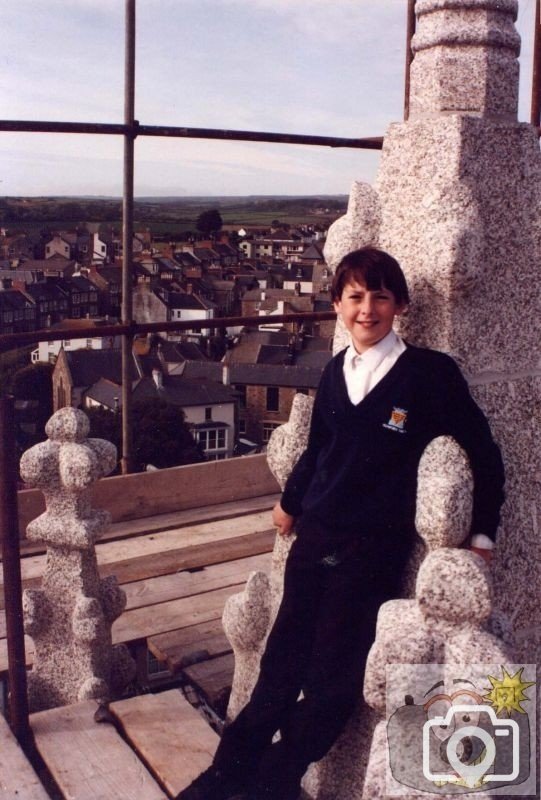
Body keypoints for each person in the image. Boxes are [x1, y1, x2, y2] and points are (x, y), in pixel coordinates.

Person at [176, 247, 505, 800]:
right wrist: (290, 502)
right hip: (317, 537)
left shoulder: (429, 375)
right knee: (278, 671)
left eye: (380, 296)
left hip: (371, 552)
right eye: (355, 296)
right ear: (336, 303)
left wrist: (482, 533)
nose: (368, 308)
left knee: (333, 686)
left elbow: (485, 453)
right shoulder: (334, 372)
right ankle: (224, 775)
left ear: (399, 304)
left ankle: (275, 777)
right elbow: (317, 449)